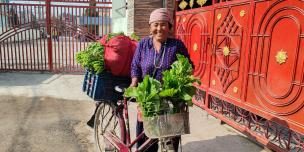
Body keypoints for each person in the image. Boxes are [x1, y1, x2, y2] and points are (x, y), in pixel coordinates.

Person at [130, 8, 191, 152]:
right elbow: (135, 66)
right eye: (155, 24)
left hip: (170, 100)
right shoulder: (143, 45)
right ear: (150, 27)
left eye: (163, 24)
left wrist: (183, 81)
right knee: (147, 138)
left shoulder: (177, 45)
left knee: (170, 138)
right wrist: (134, 83)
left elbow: (189, 66)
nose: (159, 28)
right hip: (148, 98)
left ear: (169, 27)